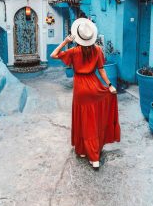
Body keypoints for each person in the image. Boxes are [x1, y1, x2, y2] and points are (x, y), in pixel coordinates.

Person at [50, 18, 121, 170]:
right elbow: (101, 70)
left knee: (83, 119)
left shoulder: (74, 51)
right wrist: (109, 85)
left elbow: (53, 55)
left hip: (80, 88)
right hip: (94, 85)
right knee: (93, 120)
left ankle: (84, 151)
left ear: (78, 37)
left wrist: (65, 41)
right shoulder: (98, 50)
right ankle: (93, 155)